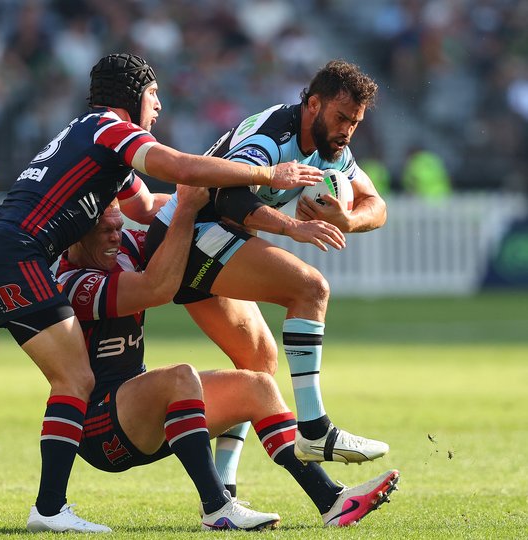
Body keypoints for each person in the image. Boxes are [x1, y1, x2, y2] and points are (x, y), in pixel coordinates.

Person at [0, 52, 325, 533]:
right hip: (15, 253)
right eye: (154, 96)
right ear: (133, 97)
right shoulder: (113, 128)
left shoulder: (88, 135)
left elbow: (147, 208)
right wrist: (266, 173)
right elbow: (183, 168)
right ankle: (50, 508)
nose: (160, 107)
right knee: (75, 376)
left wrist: (209, 205)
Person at [56, 196, 399, 529]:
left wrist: (244, 206)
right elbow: (155, 286)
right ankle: (217, 507)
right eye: (106, 231)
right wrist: (190, 205)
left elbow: (181, 238)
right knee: (180, 377)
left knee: (257, 384)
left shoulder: (128, 246)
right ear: (77, 234)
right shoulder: (73, 284)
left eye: (119, 227)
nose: (117, 236)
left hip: (142, 417)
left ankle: (332, 501)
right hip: (99, 428)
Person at [144, 60, 390, 491]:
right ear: (313, 104)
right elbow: (226, 198)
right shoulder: (274, 135)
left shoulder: (332, 147)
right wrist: (293, 227)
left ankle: (223, 492)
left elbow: (378, 204)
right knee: (310, 288)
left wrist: (349, 220)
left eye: (355, 122)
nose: (347, 130)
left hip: (210, 240)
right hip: (189, 235)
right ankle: (314, 430)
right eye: (341, 117)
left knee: (259, 365)